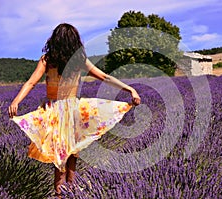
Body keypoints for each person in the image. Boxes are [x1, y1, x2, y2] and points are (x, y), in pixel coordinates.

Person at [8, 23, 141, 197]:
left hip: (54, 111)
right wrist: (129, 89)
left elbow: (31, 82)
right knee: (69, 155)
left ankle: (62, 194)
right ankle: (69, 192)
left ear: (55, 40)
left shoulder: (47, 59)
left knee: (61, 157)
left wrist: (16, 101)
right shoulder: (78, 60)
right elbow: (104, 76)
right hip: (72, 111)